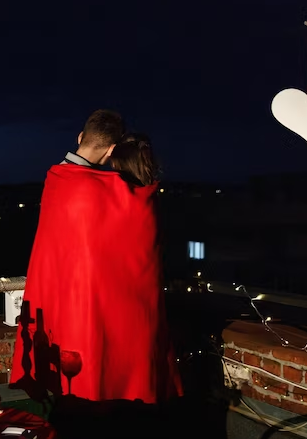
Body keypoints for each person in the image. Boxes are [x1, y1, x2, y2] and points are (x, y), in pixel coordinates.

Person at [10, 115, 182, 404]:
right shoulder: (122, 193)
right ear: (113, 149)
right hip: (125, 322)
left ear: (80, 136)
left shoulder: (57, 180)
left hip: (70, 312)